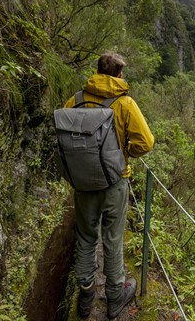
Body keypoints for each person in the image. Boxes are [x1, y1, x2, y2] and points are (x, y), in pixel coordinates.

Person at [63, 51, 154, 319]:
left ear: (98, 72)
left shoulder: (75, 100)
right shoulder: (124, 103)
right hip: (114, 181)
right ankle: (115, 297)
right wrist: (125, 154)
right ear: (118, 74)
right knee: (112, 238)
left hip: (83, 182)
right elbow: (145, 142)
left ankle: (86, 295)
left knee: (86, 237)